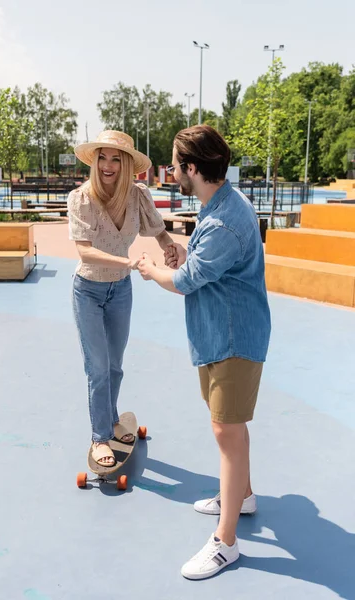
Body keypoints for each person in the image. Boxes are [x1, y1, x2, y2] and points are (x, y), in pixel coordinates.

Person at [137, 125, 271, 580]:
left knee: (226, 433)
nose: (172, 171)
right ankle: (243, 496)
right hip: (220, 335)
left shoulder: (223, 220)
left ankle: (226, 541)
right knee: (230, 429)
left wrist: (153, 269)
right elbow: (201, 266)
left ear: (193, 168)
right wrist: (181, 256)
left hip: (233, 340)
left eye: (175, 164)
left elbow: (186, 282)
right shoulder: (219, 205)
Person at [68, 130, 173, 467]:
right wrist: (129, 262)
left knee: (115, 366)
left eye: (116, 158)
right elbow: (84, 252)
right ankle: (100, 437)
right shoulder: (81, 198)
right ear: (94, 161)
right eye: (102, 157)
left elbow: (157, 228)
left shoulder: (137, 195)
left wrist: (170, 247)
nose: (108, 165)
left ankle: (113, 420)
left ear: (127, 165)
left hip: (120, 292)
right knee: (97, 367)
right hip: (88, 291)